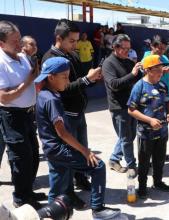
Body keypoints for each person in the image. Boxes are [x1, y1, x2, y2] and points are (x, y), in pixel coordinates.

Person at [34, 57, 121, 219]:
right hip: (59, 149)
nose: (68, 81)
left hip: (51, 149)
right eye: (65, 77)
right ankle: (98, 209)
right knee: (98, 166)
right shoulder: (52, 99)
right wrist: (85, 151)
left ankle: (47, 215)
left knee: (58, 185)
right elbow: (62, 133)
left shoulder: (45, 93)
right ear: (51, 77)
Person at [42, 18, 102, 208]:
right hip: (65, 116)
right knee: (65, 160)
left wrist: (92, 77)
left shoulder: (72, 55)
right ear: (59, 38)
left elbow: (78, 81)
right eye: (72, 41)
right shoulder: (50, 59)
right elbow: (63, 89)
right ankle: (64, 197)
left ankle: (80, 180)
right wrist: (86, 80)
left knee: (81, 150)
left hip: (78, 114)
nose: (76, 45)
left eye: (77, 41)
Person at [0, 20, 44, 209]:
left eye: (19, 39)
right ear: (1, 44)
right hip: (11, 115)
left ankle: (28, 192)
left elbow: (33, 80)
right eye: (15, 41)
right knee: (21, 158)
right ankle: (21, 198)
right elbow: (4, 97)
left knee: (33, 155)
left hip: (28, 114)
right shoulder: (1, 62)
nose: (20, 45)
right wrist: (28, 81)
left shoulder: (22, 57)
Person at [127, 55, 169, 199]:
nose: (161, 71)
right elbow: (131, 110)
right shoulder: (139, 86)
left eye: (161, 68)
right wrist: (149, 120)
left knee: (159, 160)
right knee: (144, 162)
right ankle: (142, 187)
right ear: (147, 70)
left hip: (163, 131)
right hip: (146, 133)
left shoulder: (162, 85)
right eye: (157, 69)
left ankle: (158, 182)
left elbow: (168, 102)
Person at [102, 34, 142, 173]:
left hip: (131, 105)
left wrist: (146, 71)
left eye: (129, 49)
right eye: (124, 48)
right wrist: (132, 74)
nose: (127, 52)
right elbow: (114, 84)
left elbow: (138, 79)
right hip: (118, 107)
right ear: (115, 47)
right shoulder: (108, 63)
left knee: (129, 136)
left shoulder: (128, 61)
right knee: (126, 138)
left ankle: (114, 159)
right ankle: (132, 165)